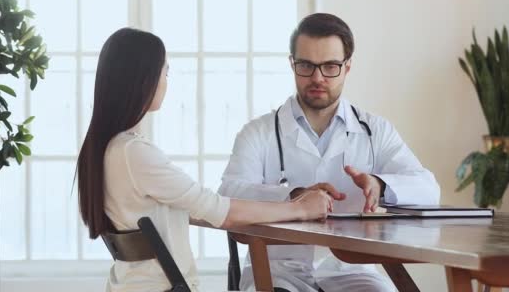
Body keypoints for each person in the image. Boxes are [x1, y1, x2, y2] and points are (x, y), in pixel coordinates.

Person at [76, 28, 336, 292]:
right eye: (165, 71)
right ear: (143, 79)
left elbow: (198, 209)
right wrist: (301, 208)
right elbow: (220, 212)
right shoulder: (134, 153)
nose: (166, 80)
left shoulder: (105, 149)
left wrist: (286, 203)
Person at [218, 13, 441, 292]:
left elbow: (428, 189)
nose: (317, 77)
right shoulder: (258, 132)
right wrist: (294, 197)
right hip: (277, 271)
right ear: (292, 64)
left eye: (330, 67)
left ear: (347, 67)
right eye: (306, 66)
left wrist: (380, 184)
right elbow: (227, 194)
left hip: (350, 271)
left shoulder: (375, 131)